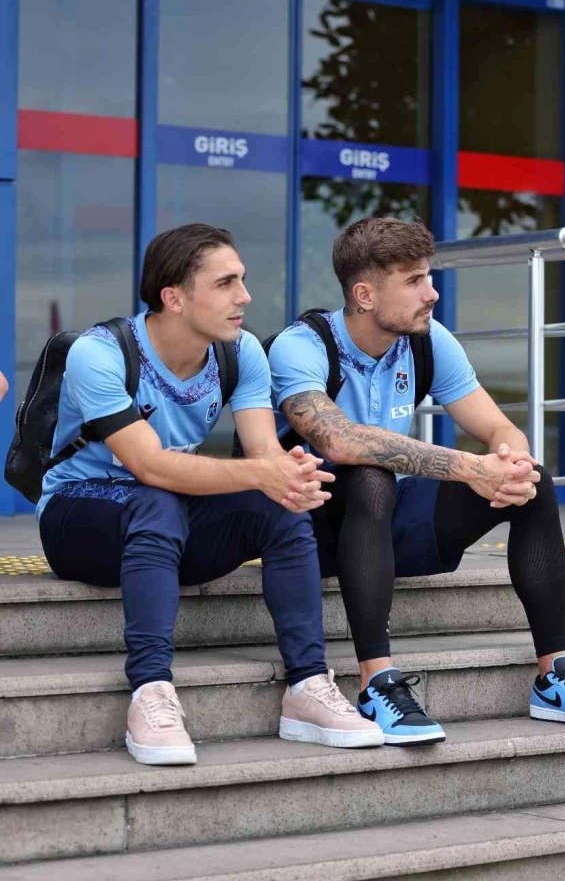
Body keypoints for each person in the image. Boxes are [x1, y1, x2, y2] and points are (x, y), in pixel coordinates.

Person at [37, 223, 384, 766]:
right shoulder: (100, 353)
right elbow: (150, 466)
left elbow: (263, 454)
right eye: (225, 283)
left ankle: (307, 687)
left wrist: (289, 472)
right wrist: (262, 472)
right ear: (174, 297)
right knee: (157, 498)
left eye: (241, 280)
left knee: (280, 504)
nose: (244, 296)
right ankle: (150, 691)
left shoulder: (240, 352)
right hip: (79, 520)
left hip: (168, 524)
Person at [269, 217, 565, 745]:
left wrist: (511, 466)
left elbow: (498, 428)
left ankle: (555, 675)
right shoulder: (302, 346)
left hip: (384, 527)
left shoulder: (427, 341)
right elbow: (340, 442)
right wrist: (473, 469)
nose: (431, 293)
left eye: (428, 276)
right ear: (364, 295)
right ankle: (377, 683)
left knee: (535, 484)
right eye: (414, 280)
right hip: (307, 531)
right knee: (369, 476)